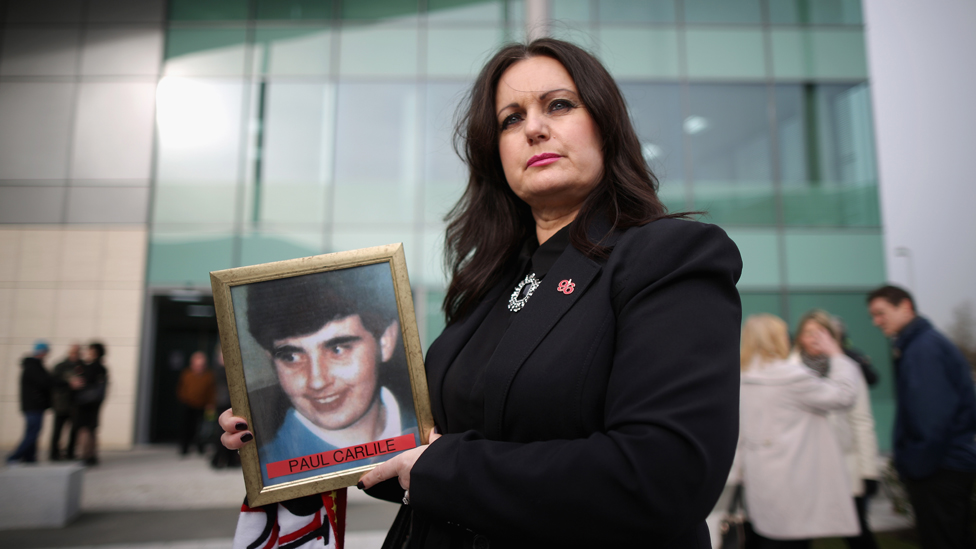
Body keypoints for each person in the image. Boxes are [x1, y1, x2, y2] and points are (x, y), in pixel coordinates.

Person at [221, 38, 742, 548]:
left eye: (558, 106)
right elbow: (421, 454)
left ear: (605, 126)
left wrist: (443, 469)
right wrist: (271, 432)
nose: (534, 128)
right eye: (510, 119)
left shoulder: (668, 255)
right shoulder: (489, 281)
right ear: (495, 152)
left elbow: (664, 476)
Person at [244, 264, 419, 486]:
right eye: (291, 357)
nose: (317, 381)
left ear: (385, 340)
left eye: (338, 349)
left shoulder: (430, 434)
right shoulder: (269, 473)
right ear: (271, 360)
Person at [733, 314, 860, 549]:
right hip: (795, 483)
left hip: (760, 479)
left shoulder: (740, 378)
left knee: (767, 538)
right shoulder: (790, 378)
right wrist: (836, 355)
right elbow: (844, 395)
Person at [867, 285, 976, 549]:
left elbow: (932, 420)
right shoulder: (922, 344)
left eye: (881, 313)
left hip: (940, 470)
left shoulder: (922, 349)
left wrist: (915, 466)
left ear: (905, 306)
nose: (876, 322)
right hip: (947, 465)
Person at [794, 310, 881, 549]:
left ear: (832, 337)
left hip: (844, 467)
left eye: (821, 332)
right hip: (803, 470)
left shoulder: (849, 369)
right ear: (800, 336)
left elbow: (862, 421)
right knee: (798, 536)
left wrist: (869, 472)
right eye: (809, 332)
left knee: (857, 533)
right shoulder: (787, 369)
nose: (814, 338)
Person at [7, 341, 52, 464]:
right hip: (34, 406)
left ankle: (29, 458)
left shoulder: (33, 366)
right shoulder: (33, 366)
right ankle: (13, 457)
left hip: (33, 406)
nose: (47, 355)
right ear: (42, 352)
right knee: (32, 433)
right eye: (46, 352)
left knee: (32, 432)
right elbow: (45, 383)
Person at [71, 342, 109, 466]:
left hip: (85, 402)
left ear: (95, 352)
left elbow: (82, 382)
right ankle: (92, 455)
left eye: (90, 350)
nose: (88, 352)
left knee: (84, 429)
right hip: (95, 402)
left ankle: (85, 455)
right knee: (92, 429)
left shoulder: (91, 367)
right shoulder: (102, 368)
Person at [176, 351, 216, 456]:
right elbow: (182, 388)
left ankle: (200, 447)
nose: (199, 367)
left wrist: (210, 403)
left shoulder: (208, 375)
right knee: (186, 427)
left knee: (201, 428)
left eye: (201, 365)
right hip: (188, 405)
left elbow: (211, 391)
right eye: (197, 364)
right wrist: (184, 399)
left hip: (202, 405)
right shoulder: (187, 374)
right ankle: (184, 447)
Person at [49, 343, 82, 461]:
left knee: (74, 430)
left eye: (77, 352)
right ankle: (54, 453)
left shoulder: (82, 366)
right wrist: (69, 384)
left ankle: (70, 453)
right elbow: (53, 382)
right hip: (61, 404)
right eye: (73, 352)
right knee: (57, 430)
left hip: (76, 404)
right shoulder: (60, 366)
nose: (75, 354)